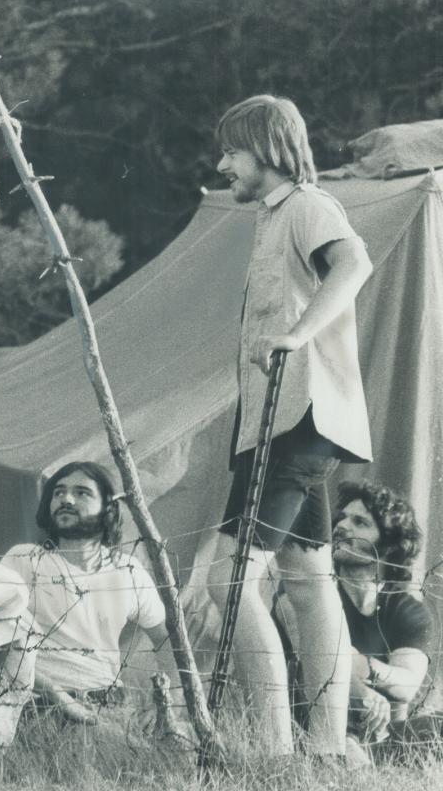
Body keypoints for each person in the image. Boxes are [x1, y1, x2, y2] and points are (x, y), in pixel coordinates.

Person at [205, 95, 373, 758]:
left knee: (228, 581)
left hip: (299, 421)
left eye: (231, 152)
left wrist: (298, 334)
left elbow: (354, 263)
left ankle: (273, 750)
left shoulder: (307, 206)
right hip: (278, 424)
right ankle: (328, 749)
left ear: (268, 150)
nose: (223, 165)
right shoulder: (273, 219)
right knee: (307, 578)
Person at [0, 461, 173, 749]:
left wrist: (165, 704)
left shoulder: (128, 570)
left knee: (186, 750)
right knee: (124, 753)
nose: (66, 499)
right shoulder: (25, 560)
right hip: (40, 706)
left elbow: (166, 640)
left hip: (114, 705)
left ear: (108, 509)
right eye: (59, 492)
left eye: (81, 493)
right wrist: (56, 695)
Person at [331, 481, 438, 760]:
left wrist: (363, 667)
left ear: (389, 546)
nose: (341, 526)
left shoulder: (408, 609)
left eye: (360, 522)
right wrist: (363, 691)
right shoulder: (313, 595)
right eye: (341, 517)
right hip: (322, 728)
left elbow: (407, 685)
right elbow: (309, 664)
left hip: (385, 737)